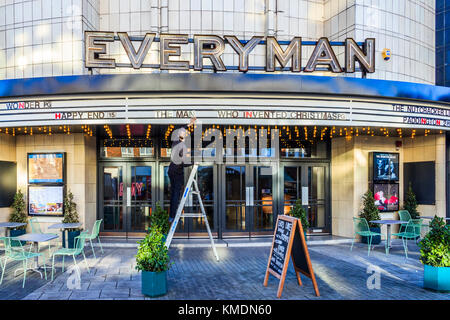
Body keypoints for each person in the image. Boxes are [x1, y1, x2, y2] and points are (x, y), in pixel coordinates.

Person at [168, 117, 196, 222]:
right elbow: (184, 163)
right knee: (176, 194)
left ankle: (172, 216)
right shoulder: (182, 146)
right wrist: (194, 162)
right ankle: (173, 216)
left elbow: (181, 129)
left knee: (174, 194)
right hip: (177, 171)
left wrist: (190, 124)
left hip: (171, 170)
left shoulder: (175, 141)